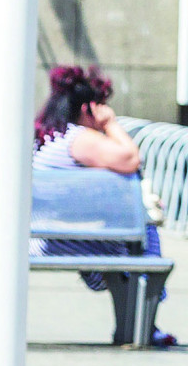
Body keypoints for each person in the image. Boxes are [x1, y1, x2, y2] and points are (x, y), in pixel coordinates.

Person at [32, 66, 176, 348]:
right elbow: (130, 158)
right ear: (88, 107)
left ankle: (137, 324)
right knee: (138, 241)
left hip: (46, 232)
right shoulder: (77, 138)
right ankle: (141, 325)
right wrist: (111, 124)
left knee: (127, 243)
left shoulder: (51, 135)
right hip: (53, 239)